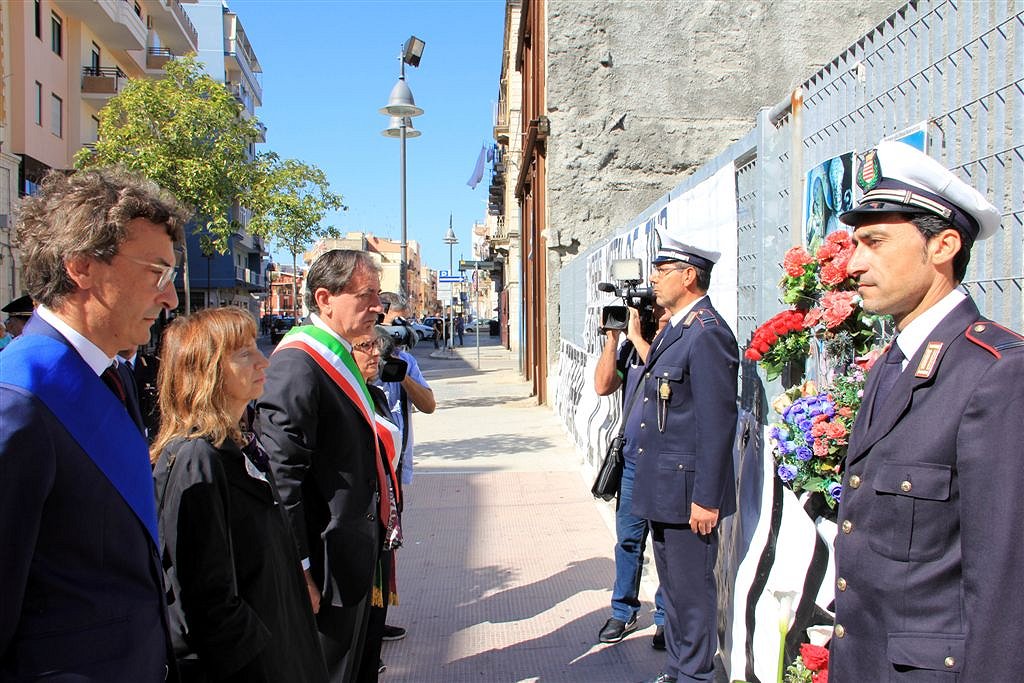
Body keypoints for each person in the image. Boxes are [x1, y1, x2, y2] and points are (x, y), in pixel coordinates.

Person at [829, 141, 1024, 680]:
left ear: (943, 246)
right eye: (855, 244)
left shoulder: (996, 372)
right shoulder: (895, 361)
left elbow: (1005, 580)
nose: (854, 264)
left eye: (874, 242)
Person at [0, 168, 185, 680]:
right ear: (81, 266)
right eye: (157, 272)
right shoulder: (17, 401)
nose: (170, 298)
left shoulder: (110, 375)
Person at [151, 308, 327, 683]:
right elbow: (206, 595)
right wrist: (263, 658)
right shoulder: (197, 457)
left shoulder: (241, 443)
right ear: (207, 370)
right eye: (244, 353)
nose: (263, 361)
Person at [258, 249, 391, 683]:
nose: (378, 307)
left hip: (354, 554)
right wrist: (299, 569)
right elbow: (283, 476)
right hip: (323, 564)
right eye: (366, 295)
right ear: (324, 298)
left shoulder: (338, 355)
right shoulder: (299, 362)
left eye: (379, 295)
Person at [631, 231, 739, 683]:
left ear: (689, 276)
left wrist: (707, 498)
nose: (654, 278)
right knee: (673, 593)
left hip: (689, 494)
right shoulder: (675, 329)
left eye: (662, 270)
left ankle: (695, 675)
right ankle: (677, 670)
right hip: (665, 489)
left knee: (692, 596)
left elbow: (717, 424)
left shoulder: (707, 334)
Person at [594, 305, 668, 649]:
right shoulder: (629, 348)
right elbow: (602, 386)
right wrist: (613, 340)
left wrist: (637, 337)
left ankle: (665, 617)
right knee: (628, 541)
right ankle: (622, 611)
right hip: (632, 462)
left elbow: (662, 371)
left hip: (667, 464)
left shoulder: (676, 340)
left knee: (666, 544)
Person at [349, 328, 405, 680]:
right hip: (363, 515)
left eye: (376, 346)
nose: (375, 354)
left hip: (386, 510)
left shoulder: (376, 394)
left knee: (378, 594)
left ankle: (371, 653)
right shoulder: (345, 398)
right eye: (364, 346)